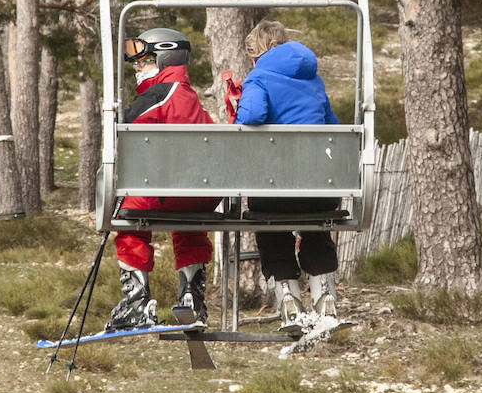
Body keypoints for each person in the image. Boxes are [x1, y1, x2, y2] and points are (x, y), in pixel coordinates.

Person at [106, 27, 220, 331]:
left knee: (128, 218)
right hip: (201, 197)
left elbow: (124, 128)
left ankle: (137, 302)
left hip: (163, 192)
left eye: (143, 62)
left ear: (164, 59)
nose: (136, 69)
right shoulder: (192, 99)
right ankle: (191, 299)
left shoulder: (160, 95)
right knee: (189, 228)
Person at [234, 19, 341, 329]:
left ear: (256, 52)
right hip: (318, 191)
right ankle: (325, 300)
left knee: (272, 232)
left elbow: (252, 116)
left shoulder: (259, 77)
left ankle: (289, 300)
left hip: (274, 191)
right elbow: (332, 127)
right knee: (316, 230)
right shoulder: (314, 79)